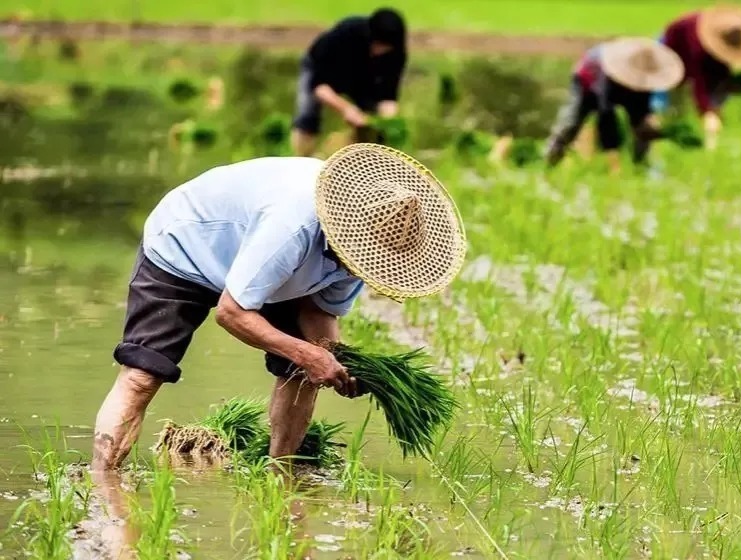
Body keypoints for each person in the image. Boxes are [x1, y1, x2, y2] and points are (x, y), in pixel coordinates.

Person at [90, 144, 467, 472]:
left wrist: (335, 360)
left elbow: (320, 313)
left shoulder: (368, 250)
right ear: (343, 230)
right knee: (143, 376)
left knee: (304, 373)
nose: (359, 268)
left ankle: (280, 475)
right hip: (186, 246)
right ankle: (102, 484)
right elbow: (232, 312)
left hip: (269, 269)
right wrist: (307, 353)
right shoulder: (292, 224)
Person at [544, 37, 684, 174]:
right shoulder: (608, 75)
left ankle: (641, 166)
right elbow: (605, 116)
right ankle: (550, 162)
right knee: (572, 123)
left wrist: (654, 130)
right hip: (587, 81)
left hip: (618, 87)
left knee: (642, 126)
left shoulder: (645, 81)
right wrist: (614, 163)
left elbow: (642, 111)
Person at [290, 8, 408, 156]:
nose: (380, 51)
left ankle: (355, 164)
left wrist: (387, 123)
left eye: (386, 48)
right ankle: (301, 160)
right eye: (378, 45)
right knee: (308, 118)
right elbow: (319, 87)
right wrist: (346, 108)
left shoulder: (395, 52)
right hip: (323, 70)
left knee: (371, 128)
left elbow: (388, 95)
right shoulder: (345, 35)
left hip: (362, 76)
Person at [652, 6, 741, 150]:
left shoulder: (721, 41)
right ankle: (663, 139)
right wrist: (707, 111)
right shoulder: (697, 45)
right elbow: (699, 81)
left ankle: (680, 136)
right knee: (665, 104)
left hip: (690, 56)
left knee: (683, 108)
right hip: (669, 49)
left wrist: (717, 105)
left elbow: (721, 71)